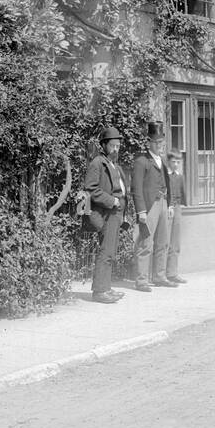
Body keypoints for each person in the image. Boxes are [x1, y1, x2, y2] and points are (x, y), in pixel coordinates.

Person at [84, 125, 129, 304]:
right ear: (103, 145)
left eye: (118, 146)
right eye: (112, 145)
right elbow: (90, 189)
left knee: (110, 251)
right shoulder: (97, 163)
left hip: (116, 213)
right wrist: (112, 201)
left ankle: (106, 288)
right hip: (106, 213)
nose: (116, 149)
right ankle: (99, 291)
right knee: (105, 251)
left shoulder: (114, 164)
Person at [132, 123, 173, 291]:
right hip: (149, 206)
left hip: (163, 203)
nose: (160, 146)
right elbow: (136, 188)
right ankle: (141, 280)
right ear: (149, 143)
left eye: (162, 142)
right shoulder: (142, 161)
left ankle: (159, 276)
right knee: (145, 243)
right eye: (157, 143)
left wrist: (169, 204)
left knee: (163, 242)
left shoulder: (162, 160)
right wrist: (141, 210)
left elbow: (167, 184)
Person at [163, 148, 189, 285]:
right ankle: (161, 274)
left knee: (175, 243)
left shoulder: (179, 175)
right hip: (168, 209)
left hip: (177, 209)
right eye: (173, 162)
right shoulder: (165, 175)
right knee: (165, 242)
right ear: (168, 162)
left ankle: (172, 273)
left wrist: (181, 205)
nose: (176, 165)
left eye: (178, 162)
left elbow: (182, 192)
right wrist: (169, 206)